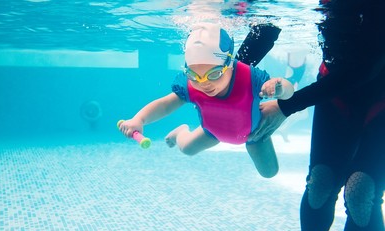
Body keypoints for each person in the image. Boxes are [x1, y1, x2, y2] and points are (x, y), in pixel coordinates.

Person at [250, 0, 385, 231]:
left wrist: (286, 106)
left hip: (380, 96)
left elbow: (368, 65)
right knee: (320, 183)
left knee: (361, 191)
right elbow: (269, 22)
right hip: (336, 89)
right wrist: (230, 72)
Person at [119, 22, 294, 178]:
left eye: (214, 74)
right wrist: (139, 119)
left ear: (230, 64)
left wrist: (280, 88)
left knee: (270, 172)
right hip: (212, 132)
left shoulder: (249, 77)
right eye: (194, 76)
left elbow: (289, 93)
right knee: (186, 149)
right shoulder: (190, 84)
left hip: (254, 134)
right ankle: (180, 132)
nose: (204, 83)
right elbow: (165, 105)